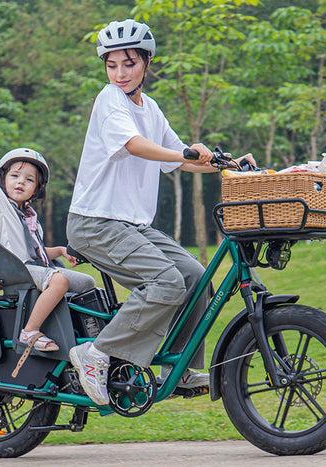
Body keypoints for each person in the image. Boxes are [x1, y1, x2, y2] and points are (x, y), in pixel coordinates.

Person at [66, 19, 255, 405]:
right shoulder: (109, 101)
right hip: (95, 222)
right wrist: (186, 152)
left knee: (195, 278)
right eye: (111, 64)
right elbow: (136, 146)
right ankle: (96, 354)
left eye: (129, 63)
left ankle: (178, 368)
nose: (119, 73)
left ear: (147, 63)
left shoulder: (149, 108)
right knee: (167, 283)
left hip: (131, 226)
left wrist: (228, 163)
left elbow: (182, 160)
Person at [0, 131, 95, 351]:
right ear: (2, 179)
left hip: (33, 267)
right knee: (59, 281)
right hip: (16, 270)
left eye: (29, 179)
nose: (20, 182)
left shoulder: (30, 216)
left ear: (37, 189)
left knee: (87, 283)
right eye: (15, 176)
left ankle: (73, 331)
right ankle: (30, 331)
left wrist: (62, 250)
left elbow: (37, 251)